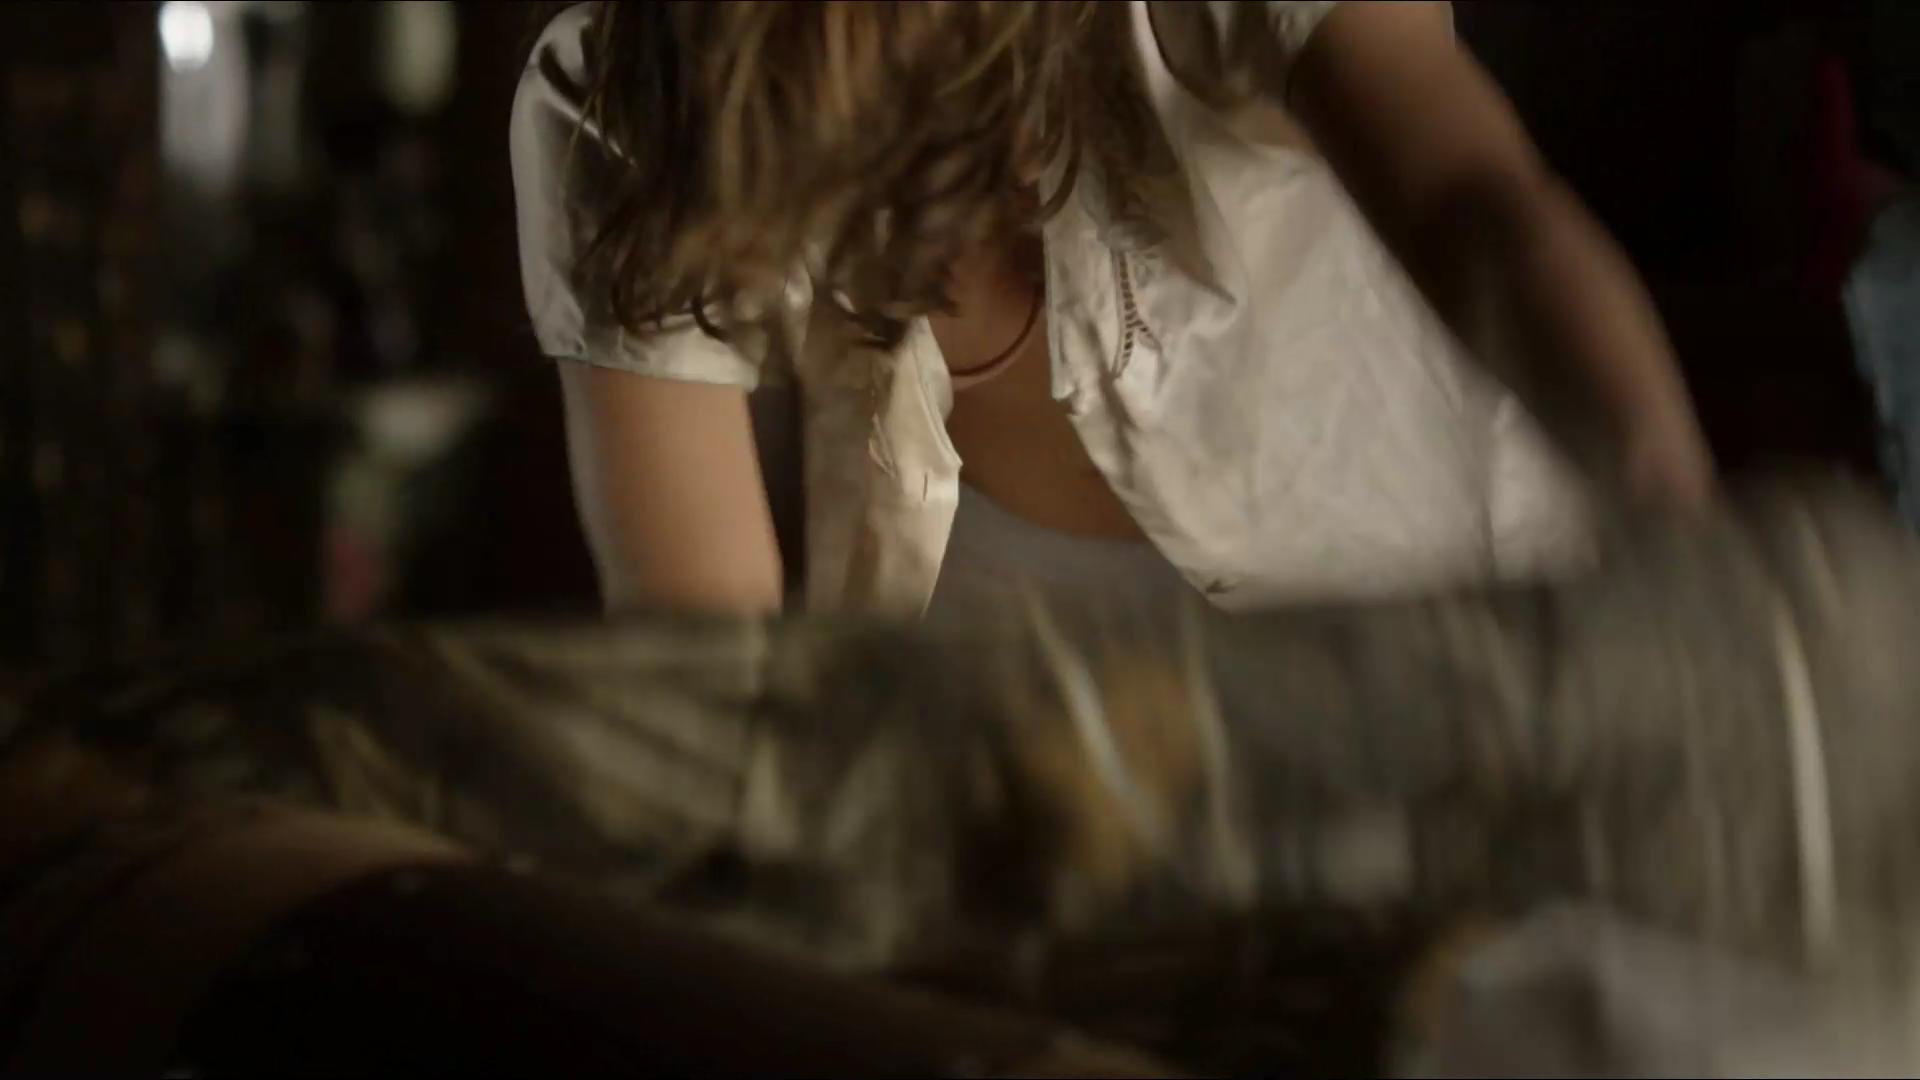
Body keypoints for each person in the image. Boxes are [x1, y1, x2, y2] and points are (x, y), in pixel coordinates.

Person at [511, 1, 1714, 620]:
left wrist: (1685, 549)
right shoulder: (624, 101)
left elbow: (1478, 212)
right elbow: (702, 646)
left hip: (1461, 658)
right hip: (1040, 801)